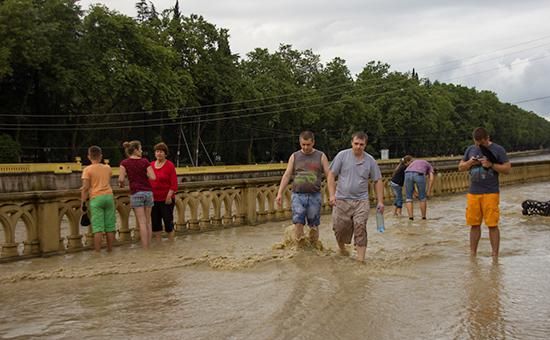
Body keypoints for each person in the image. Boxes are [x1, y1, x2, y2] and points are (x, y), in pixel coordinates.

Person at [327, 131, 384, 262]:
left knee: (360, 227)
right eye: (356, 143)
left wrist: (380, 201)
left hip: (361, 200)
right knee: (339, 228)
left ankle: (360, 260)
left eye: (361, 144)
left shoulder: (370, 161)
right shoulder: (342, 156)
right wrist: (331, 195)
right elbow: (331, 174)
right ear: (351, 143)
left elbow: (378, 180)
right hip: (341, 199)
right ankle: (342, 248)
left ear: (365, 145)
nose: (358, 147)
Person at [458, 127, 511, 257]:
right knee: (474, 225)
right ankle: (472, 254)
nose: (479, 145)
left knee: (492, 224)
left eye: (481, 143)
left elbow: (507, 169)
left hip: (490, 192)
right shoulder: (470, 149)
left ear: (487, 138)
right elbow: (460, 167)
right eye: (477, 143)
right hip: (473, 193)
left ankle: (495, 255)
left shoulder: (498, 149)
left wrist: (491, 165)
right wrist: (470, 162)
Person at [276, 131, 332, 243]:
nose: (306, 147)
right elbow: (287, 175)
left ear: (313, 143)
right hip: (297, 195)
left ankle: (314, 247)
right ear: (300, 143)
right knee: (298, 222)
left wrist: (332, 195)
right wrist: (279, 193)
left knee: (313, 225)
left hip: (314, 195)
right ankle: (300, 249)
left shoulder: (321, 156)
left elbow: (329, 175)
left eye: (308, 144)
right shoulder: (294, 156)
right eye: (303, 145)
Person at [118, 140, 156, 249]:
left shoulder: (124, 163)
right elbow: (153, 177)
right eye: (140, 149)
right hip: (148, 192)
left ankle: (145, 248)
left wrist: (122, 184)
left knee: (142, 222)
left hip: (136, 193)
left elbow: (121, 179)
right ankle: (149, 245)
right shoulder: (145, 162)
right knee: (148, 221)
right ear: (135, 150)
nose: (142, 151)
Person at [80, 145, 116, 252]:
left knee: (98, 228)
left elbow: (86, 188)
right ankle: (110, 250)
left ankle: (98, 252)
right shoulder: (107, 168)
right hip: (109, 196)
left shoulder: (87, 170)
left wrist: (83, 202)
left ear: (89, 156)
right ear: (101, 156)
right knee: (110, 226)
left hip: (96, 198)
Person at [150, 142, 178, 242]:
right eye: (157, 151)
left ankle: (171, 242)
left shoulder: (170, 165)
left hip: (166, 199)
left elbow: (174, 184)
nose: (159, 153)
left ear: (165, 153)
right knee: (156, 223)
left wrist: (169, 196)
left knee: (168, 222)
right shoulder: (151, 165)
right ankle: (159, 245)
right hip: (153, 199)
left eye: (161, 151)